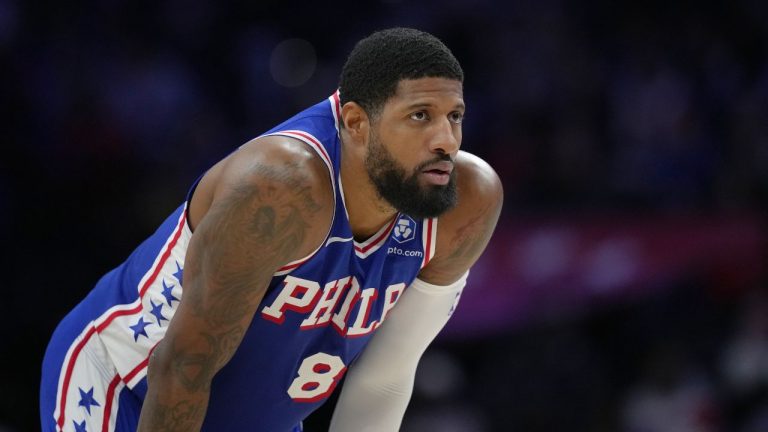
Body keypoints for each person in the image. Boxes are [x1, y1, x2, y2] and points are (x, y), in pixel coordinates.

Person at [40, 27, 503, 431]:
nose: (446, 139)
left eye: (455, 116)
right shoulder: (282, 187)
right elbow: (183, 367)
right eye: (420, 115)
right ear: (358, 123)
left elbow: (383, 378)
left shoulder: (467, 200)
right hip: (127, 387)